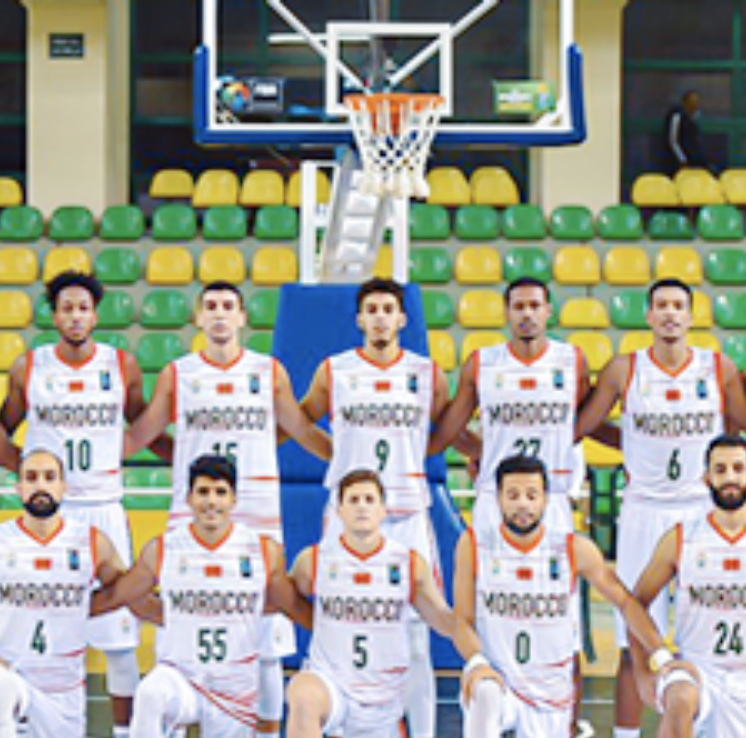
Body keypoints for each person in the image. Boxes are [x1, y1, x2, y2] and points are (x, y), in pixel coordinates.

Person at [124, 280, 331, 738]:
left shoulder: (267, 372)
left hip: (256, 507)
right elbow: (141, 435)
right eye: (211, 306)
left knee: (268, 641)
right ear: (199, 317)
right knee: (178, 634)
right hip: (194, 509)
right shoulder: (178, 374)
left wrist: (346, 460)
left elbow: (300, 429)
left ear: (242, 318)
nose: (219, 314)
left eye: (228, 306)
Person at [0, 271, 172, 736]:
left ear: (95, 315)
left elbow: (141, 423)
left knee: (119, 640)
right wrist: (29, 471)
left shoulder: (121, 365)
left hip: (104, 508)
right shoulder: (29, 368)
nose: (75, 316)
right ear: (54, 316)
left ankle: (125, 732)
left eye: (83, 308)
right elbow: (4, 427)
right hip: (48, 513)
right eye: (66, 308)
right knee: (33, 627)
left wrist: (179, 458)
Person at [576, 277, 746, 737]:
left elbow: (737, 427)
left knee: (709, 620)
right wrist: (632, 445)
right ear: (649, 315)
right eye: (662, 305)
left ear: (691, 316)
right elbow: (584, 425)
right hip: (644, 510)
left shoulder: (718, 369)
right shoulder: (624, 369)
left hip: (701, 508)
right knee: (634, 637)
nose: (670, 313)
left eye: (678, 306)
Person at [299, 277, 465, 738]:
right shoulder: (334, 371)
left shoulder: (427, 374)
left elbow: (445, 430)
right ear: (359, 319)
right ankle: (342, 724)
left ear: (402, 318)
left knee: (416, 638)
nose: (379, 318)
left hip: (407, 514)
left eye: (387, 309)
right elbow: (301, 418)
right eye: (371, 310)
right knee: (336, 624)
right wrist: (335, 454)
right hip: (347, 516)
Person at [452, 454, 683, 737]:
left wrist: (661, 654)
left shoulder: (573, 549)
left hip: (550, 695)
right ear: (498, 499)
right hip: (500, 680)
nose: (522, 504)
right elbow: (461, 621)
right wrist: (477, 663)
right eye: (512, 495)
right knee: (485, 692)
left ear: (545, 500)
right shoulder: (475, 545)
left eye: (531, 495)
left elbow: (625, 602)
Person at [90, 454, 313, 737]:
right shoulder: (163, 549)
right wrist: (70, 609)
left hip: (234, 686)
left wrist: (330, 627)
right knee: (150, 693)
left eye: (220, 492)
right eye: (203, 492)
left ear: (234, 499)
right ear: (189, 498)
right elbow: (122, 595)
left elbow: (290, 605)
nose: (211, 501)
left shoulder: (262, 551)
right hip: (180, 676)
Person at [286, 468, 460, 738]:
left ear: (383, 510)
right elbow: (290, 600)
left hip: (384, 699)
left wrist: (477, 625)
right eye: (353, 500)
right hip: (332, 685)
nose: (361, 507)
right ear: (339, 510)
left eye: (369, 500)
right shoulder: (314, 560)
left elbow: (442, 620)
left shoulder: (409, 564)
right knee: (302, 694)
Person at [429, 277, 599, 535]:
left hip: (551, 493)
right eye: (519, 307)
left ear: (548, 311)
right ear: (507, 312)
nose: (527, 314)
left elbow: (587, 421)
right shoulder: (482, 363)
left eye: (535, 306)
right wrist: (482, 450)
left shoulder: (572, 360)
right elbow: (449, 431)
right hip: (496, 493)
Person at [0, 449, 139, 737]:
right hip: (14, 676)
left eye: (49, 477)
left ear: (63, 487)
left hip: (64, 690)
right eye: (31, 477)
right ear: (19, 487)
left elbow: (124, 591)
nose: (40, 485)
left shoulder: (91, 541)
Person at [629, 434, 746, 738]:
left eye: (738, 468)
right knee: (680, 694)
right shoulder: (681, 538)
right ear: (706, 478)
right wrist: (643, 671)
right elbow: (633, 605)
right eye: (720, 469)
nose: (730, 478)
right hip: (697, 668)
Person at [661, 90, 709, 175]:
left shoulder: (694, 116)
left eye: (697, 102)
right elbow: (673, 140)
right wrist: (682, 159)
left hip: (695, 161)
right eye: (692, 102)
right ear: (685, 102)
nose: (695, 105)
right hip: (679, 163)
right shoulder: (677, 115)